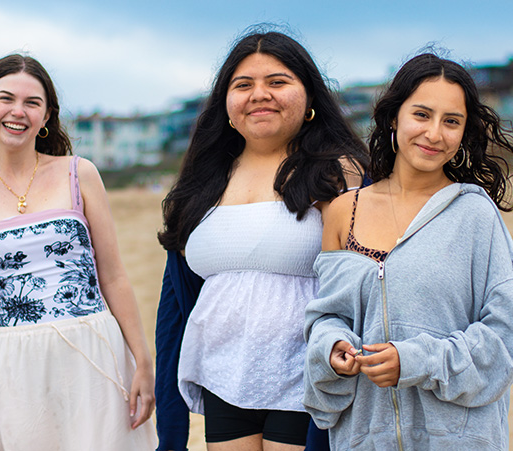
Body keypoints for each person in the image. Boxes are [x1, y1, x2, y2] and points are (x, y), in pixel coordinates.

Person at [303, 52, 513, 450]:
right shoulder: (344, 211)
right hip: (365, 437)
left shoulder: (475, 214)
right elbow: (327, 316)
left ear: (464, 133)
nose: (434, 134)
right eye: (422, 115)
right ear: (394, 117)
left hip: (457, 438)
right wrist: (332, 348)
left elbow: (505, 339)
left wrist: (415, 361)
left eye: (451, 121)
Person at [155, 29, 369, 451]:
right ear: (227, 106)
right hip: (224, 371)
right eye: (243, 85)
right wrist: (171, 430)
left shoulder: (339, 171)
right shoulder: (204, 179)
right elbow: (175, 300)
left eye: (277, 82)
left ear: (308, 97)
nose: (260, 94)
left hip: (309, 370)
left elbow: (368, 277)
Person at [0, 54, 157, 451]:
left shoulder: (80, 173)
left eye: (32, 103)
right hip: (19, 360)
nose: (17, 112)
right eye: (6, 99)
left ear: (47, 116)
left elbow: (113, 276)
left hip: (98, 350)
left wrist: (143, 360)